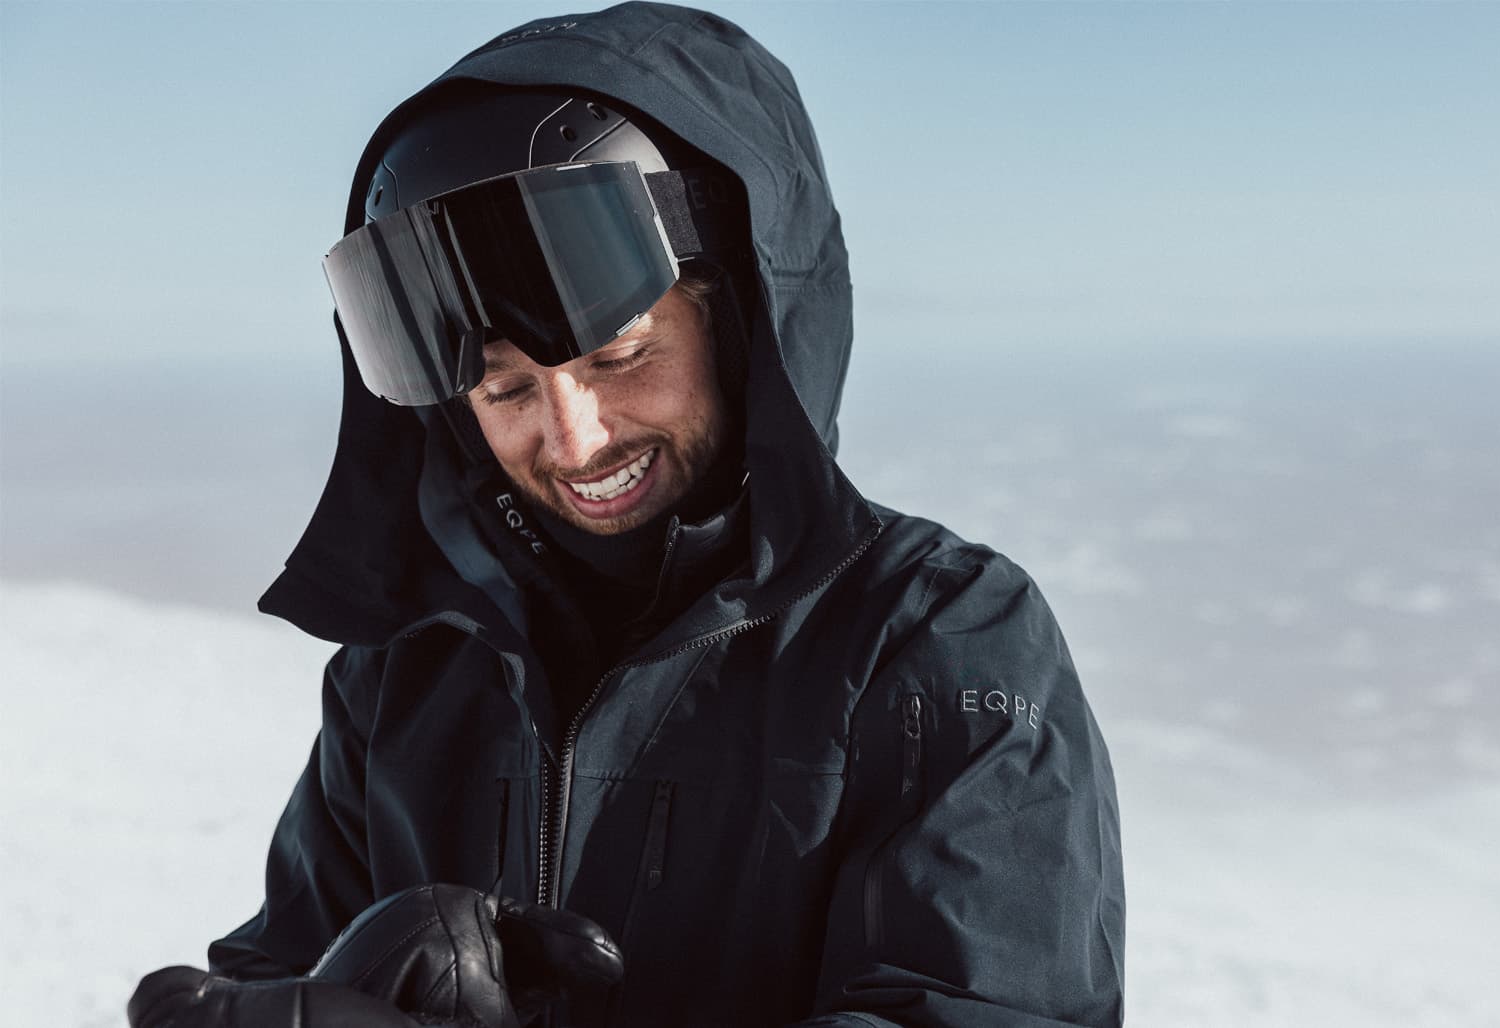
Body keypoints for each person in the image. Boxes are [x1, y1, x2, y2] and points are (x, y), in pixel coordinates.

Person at [127, 4, 1123, 1027]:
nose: (575, 440)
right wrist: (330, 995)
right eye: (506, 389)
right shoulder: (408, 669)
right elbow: (275, 966)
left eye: (620, 357)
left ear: (740, 322)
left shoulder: (935, 635)